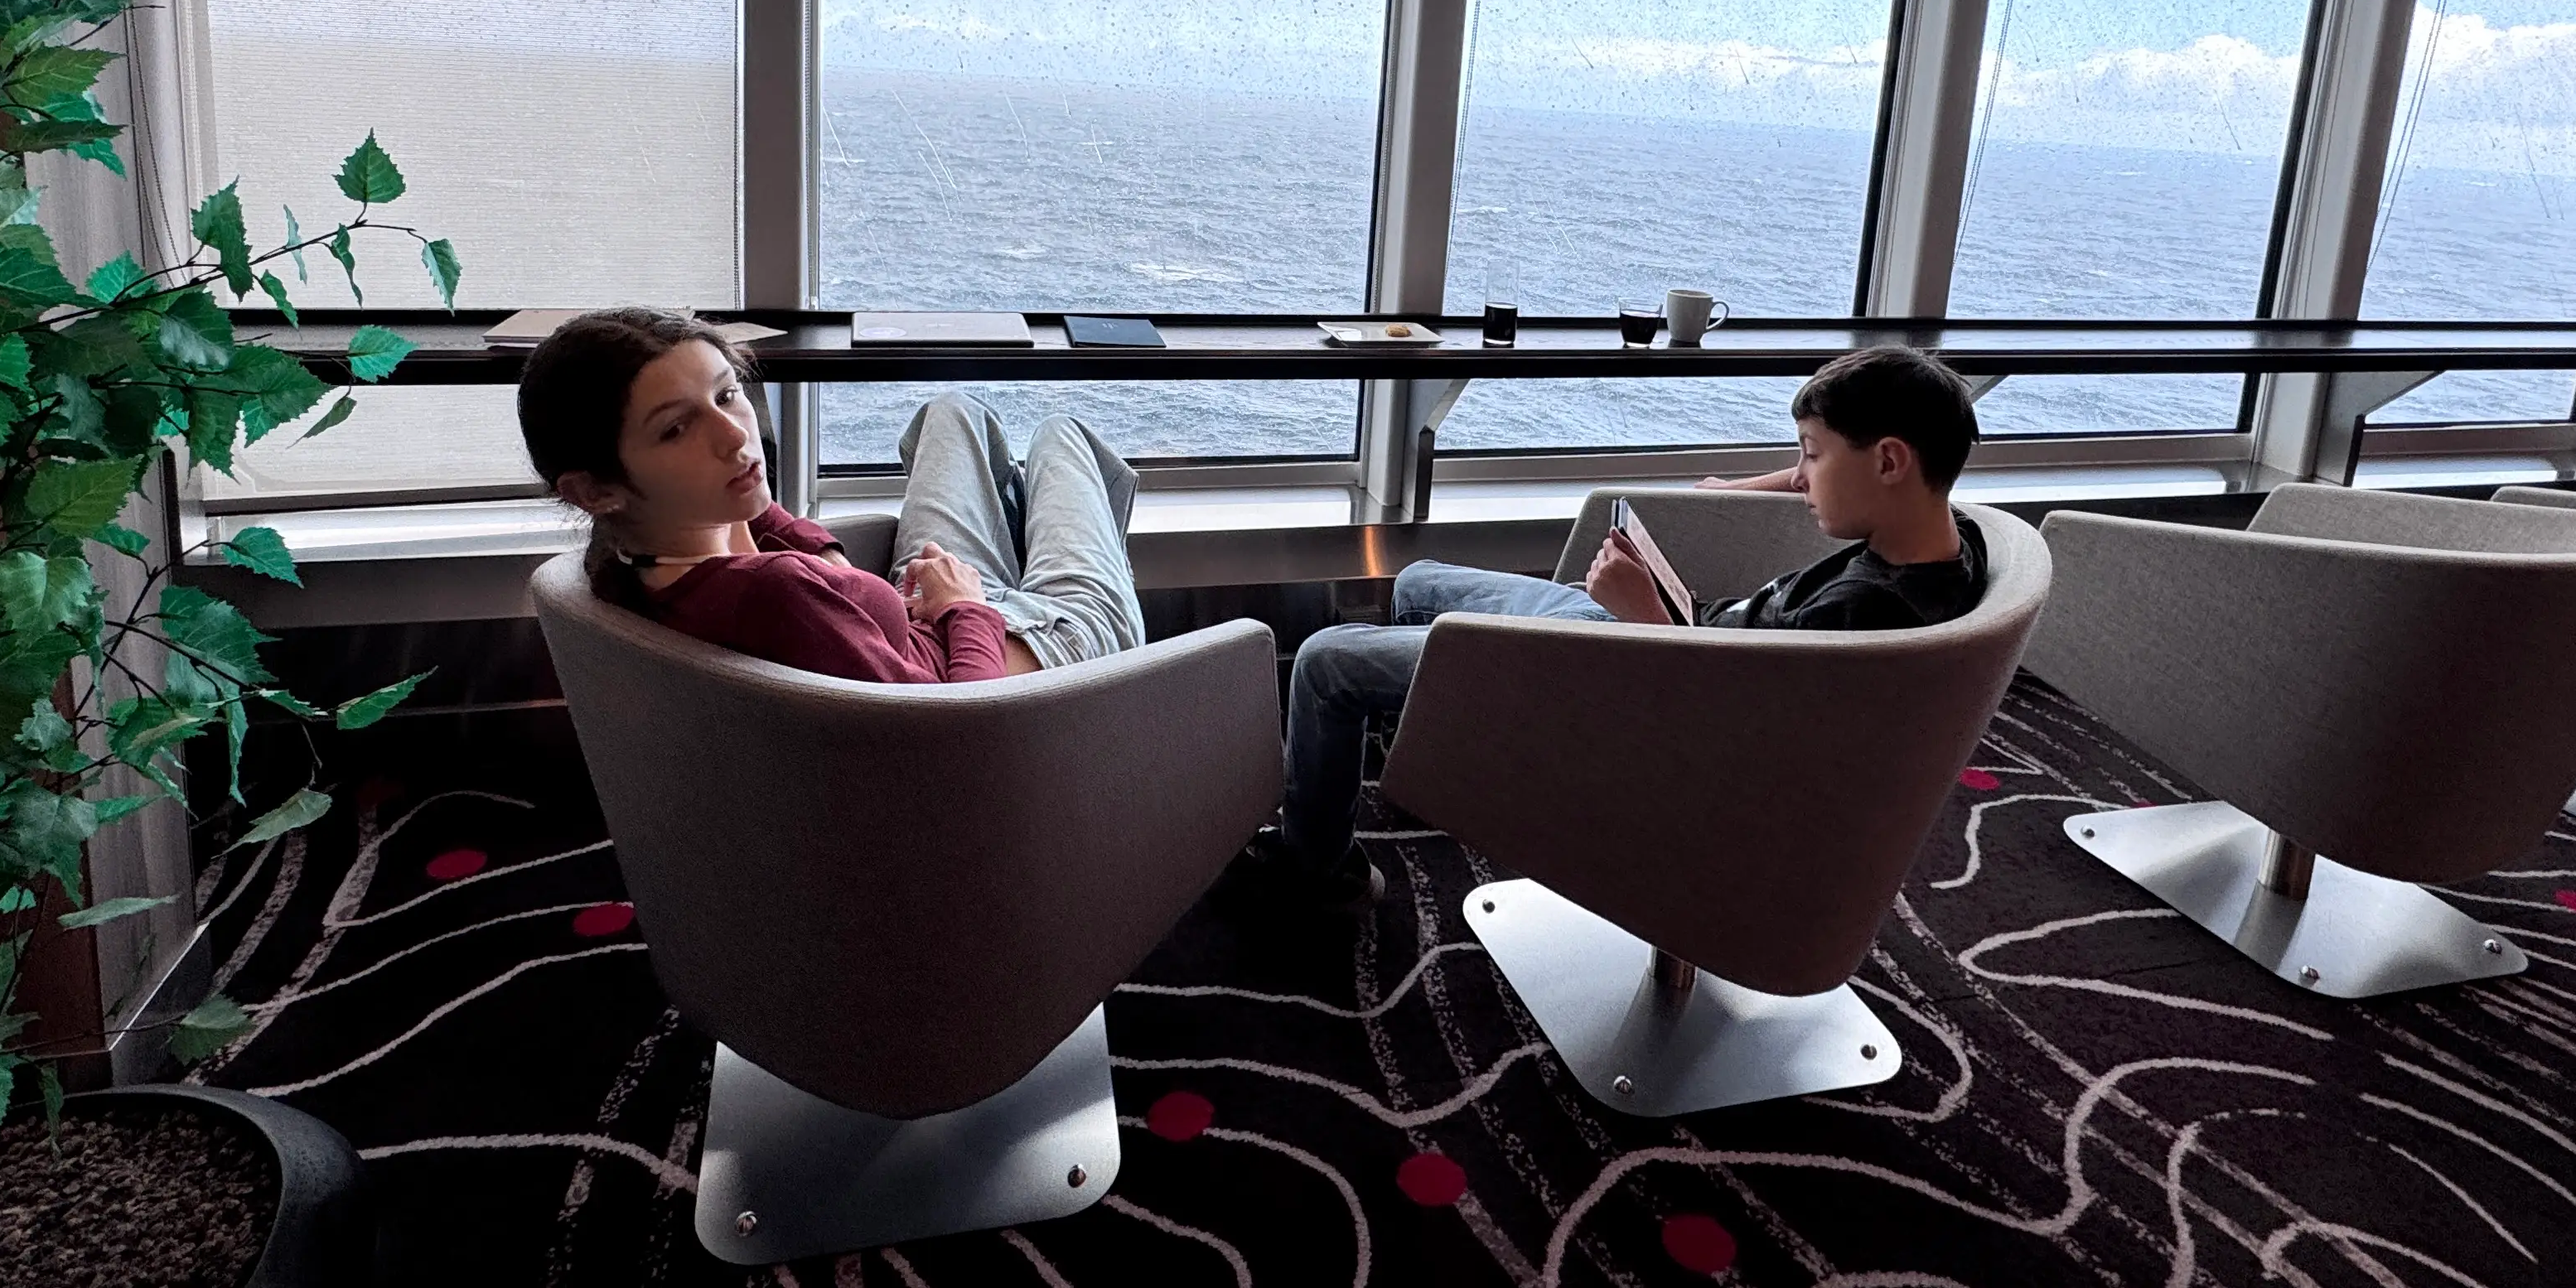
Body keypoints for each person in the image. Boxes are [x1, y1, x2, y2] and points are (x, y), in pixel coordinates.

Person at [1239, 345, 1988, 908]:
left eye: (1812, 456)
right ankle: (1438, 761)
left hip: (1632, 677)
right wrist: (1755, 487)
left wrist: (1643, 613)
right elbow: (1754, 664)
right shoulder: (1940, 541)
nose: (1799, 475)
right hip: (1669, 636)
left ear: (1889, 461)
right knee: (1419, 582)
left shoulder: (1865, 615)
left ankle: (1315, 869)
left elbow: (1725, 726)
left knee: (1328, 661)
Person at [516, 306, 1144, 683]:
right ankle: (1118, 695)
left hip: (922, 614)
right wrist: (963, 608)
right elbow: (961, 723)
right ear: (596, 489)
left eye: (727, 393)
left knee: (953, 413)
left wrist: (838, 567)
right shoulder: (778, 596)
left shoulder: (650, 546)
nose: (737, 436)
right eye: (677, 428)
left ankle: (1021, 554)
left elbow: (766, 516)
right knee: (1065, 438)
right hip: (1000, 665)